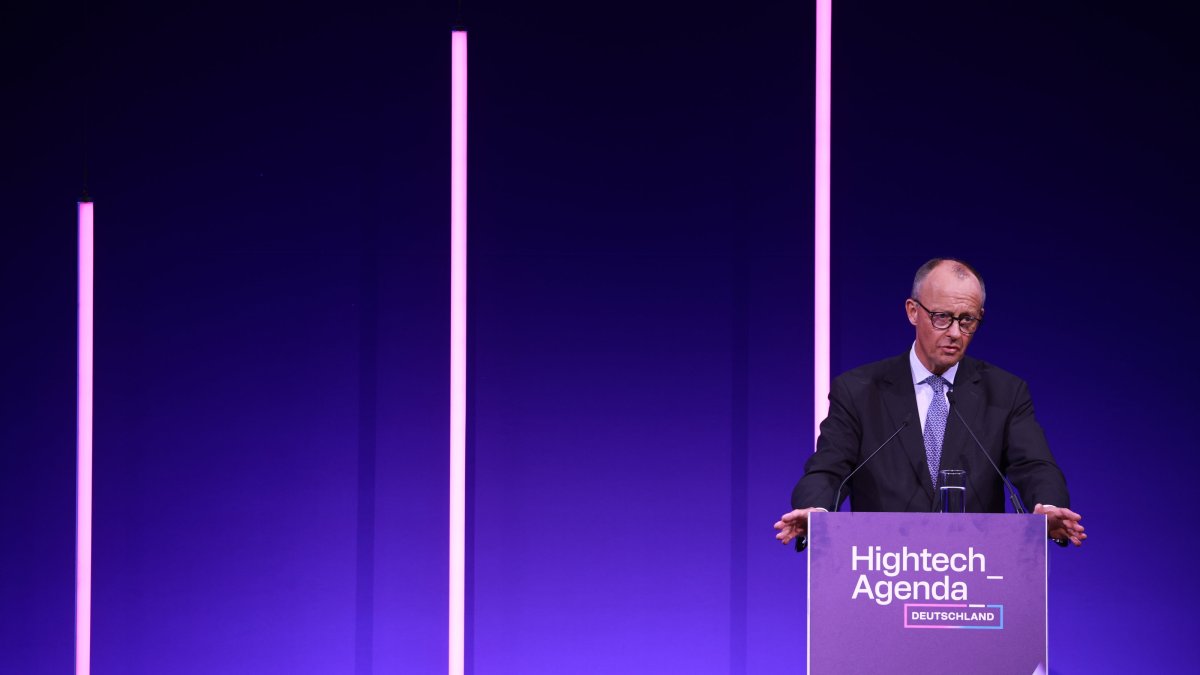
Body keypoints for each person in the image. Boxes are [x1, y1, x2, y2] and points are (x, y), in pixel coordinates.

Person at [774, 258, 1085, 549]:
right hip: (883, 568)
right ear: (913, 311)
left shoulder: (1005, 392)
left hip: (973, 568)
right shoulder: (858, 391)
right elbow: (828, 470)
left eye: (967, 320)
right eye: (942, 317)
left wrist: (1049, 505)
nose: (955, 333)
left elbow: (1035, 466)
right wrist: (816, 510)